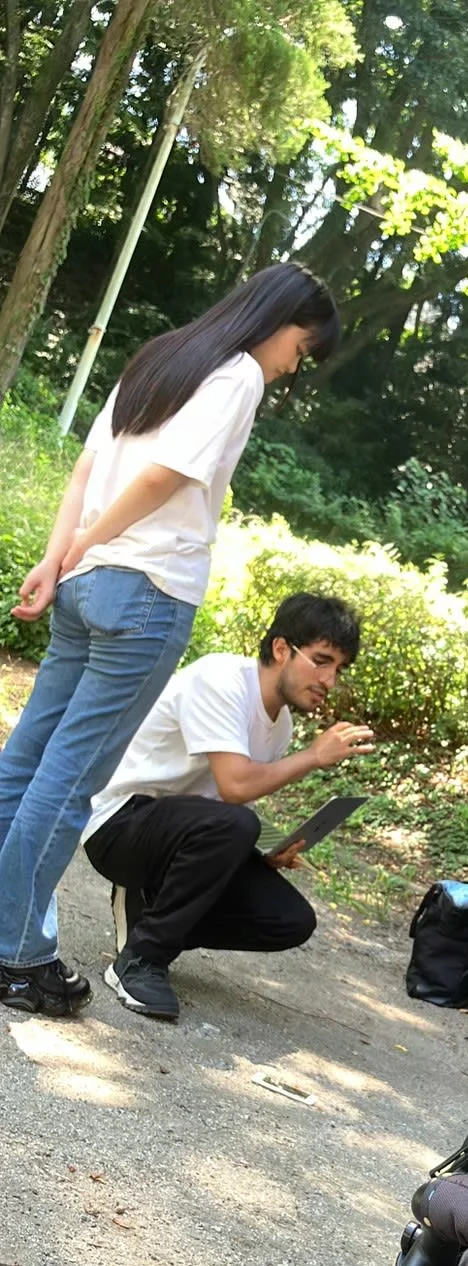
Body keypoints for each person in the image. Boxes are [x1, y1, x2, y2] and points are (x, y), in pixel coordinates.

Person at [0, 261, 339, 1018]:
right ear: (278, 321)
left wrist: (64, 556)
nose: (291, 367)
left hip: (89, 587)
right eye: (300, 348)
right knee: (67, 779)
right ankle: (17, 955)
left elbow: (89, 463)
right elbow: (165, 477)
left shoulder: (162, 355)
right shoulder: (239, 374)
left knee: (26, 758)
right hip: (148, 596)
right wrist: (86, 545)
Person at [82, 593, 372, 1022]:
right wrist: (313, 756)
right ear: (281, 648)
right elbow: (235, 788)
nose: (329, 680)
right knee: (237, 824)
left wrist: (270, 848)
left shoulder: (280, 727)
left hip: (178, 831)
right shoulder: (220, 679)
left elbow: (216, 801)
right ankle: (140, 960)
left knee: (290, 919)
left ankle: (153, 917)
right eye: (321, 660)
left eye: (339, 669)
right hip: (119, 823)